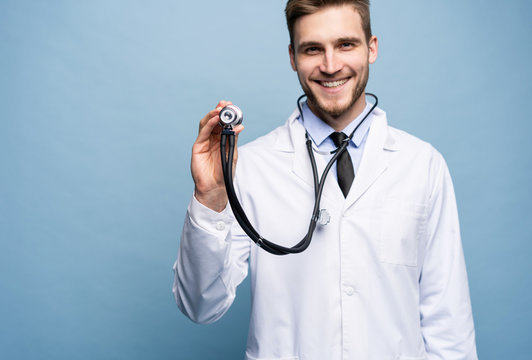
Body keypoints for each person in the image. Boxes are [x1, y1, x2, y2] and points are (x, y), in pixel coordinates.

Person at [173, 0, 478, 359]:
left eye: (345, 44)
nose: (331, 66)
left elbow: (449, 326)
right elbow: (200, 305)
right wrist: (210, 198)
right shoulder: (250, 166)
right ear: (292, 57)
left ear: (372, 48)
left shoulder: (422, 165)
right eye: (312, 49)